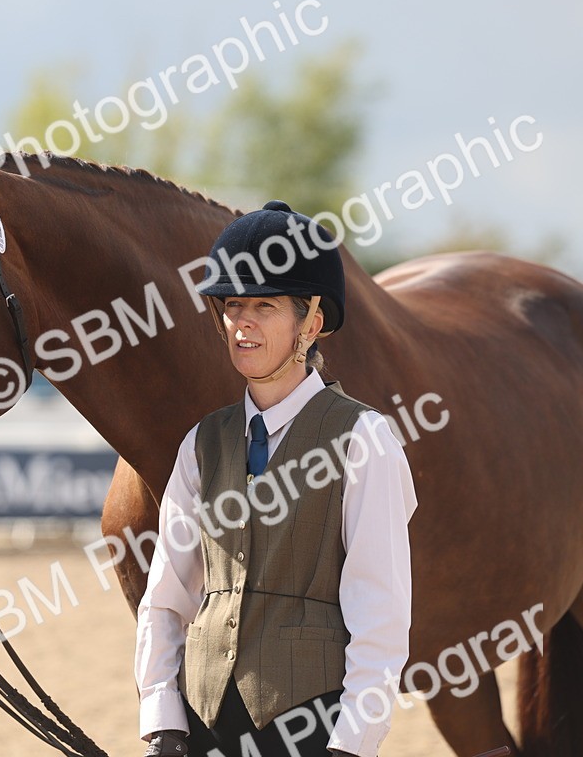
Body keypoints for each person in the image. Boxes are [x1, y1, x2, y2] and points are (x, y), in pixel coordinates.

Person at [135, 201, 417, 757]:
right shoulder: (201, 443)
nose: (242, 323)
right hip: (204, 722)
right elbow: (166, 599)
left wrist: (351, 745)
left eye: (263, 306)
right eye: (233, 305)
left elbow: (379, 612)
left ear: (311, 323)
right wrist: (163, 723)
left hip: (313, 726)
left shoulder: (365, 440)